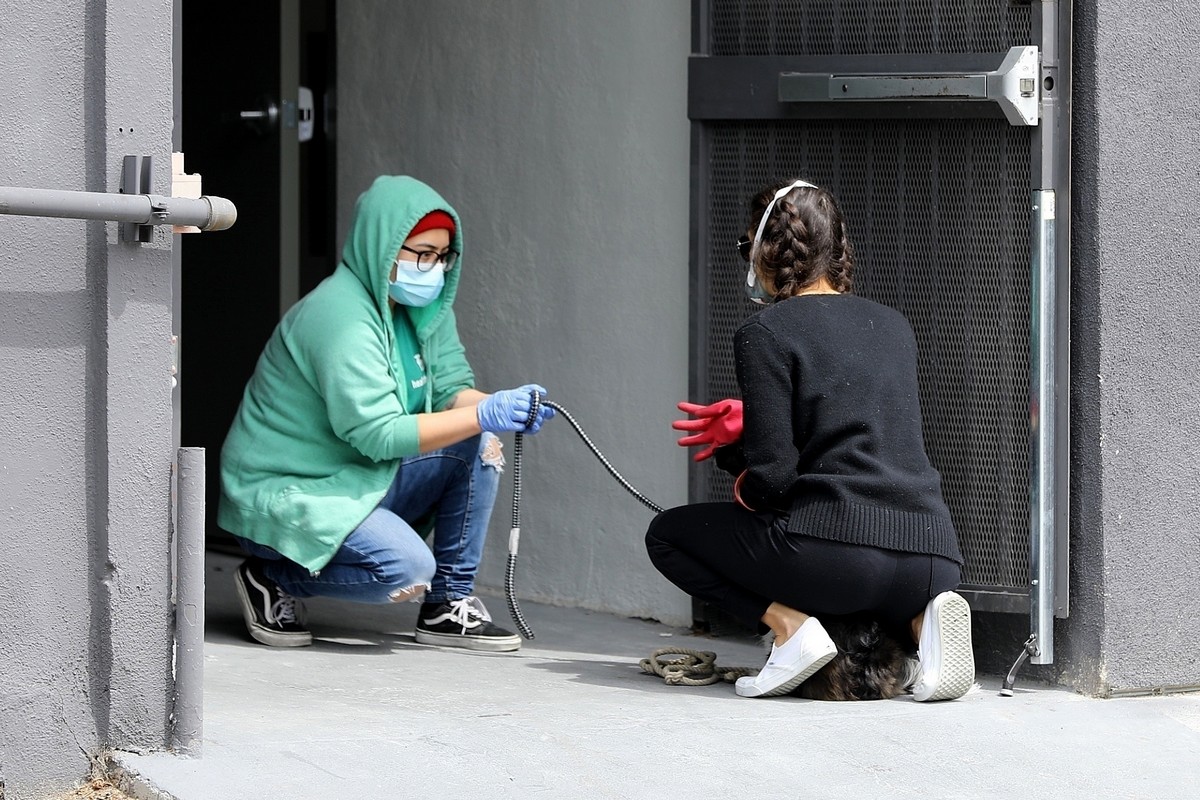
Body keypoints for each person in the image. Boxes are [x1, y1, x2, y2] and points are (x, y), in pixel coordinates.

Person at [645, 179, 975, 700]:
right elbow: (861, 428)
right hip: (932, 557)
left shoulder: (766, 331)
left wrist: (738, 463)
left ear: (765, 253)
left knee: (667, 534)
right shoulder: (894, 325)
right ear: (838, 249)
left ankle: (790, 629)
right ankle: (923, 624)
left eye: (745, 250)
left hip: (834, 562)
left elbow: (773, 479)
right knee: (892, 573)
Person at [219, 175, 554, 653]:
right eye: (421, 253)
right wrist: (485, 414)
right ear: (383, 246)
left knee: (482, 443)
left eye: (442, 256)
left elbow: (452, 391)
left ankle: (447, 604)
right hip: (295, 488)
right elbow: (378, 434)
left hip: (359, 477)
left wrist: (502, 408)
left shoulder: (424, 309)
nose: (433, 269)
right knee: (404, 569)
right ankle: (272, 577)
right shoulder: (339, 317)